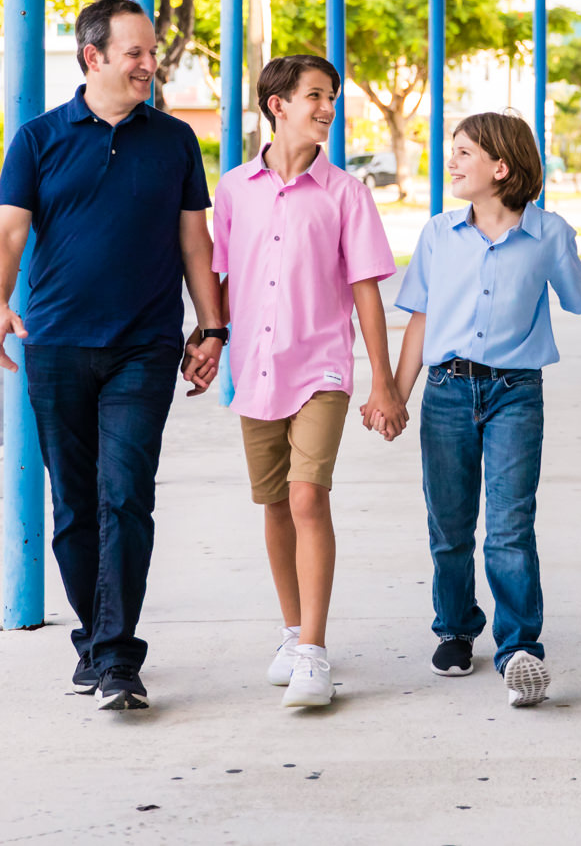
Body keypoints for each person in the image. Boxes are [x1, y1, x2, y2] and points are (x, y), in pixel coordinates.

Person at [0, 0, 226, 713]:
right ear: (93, 57)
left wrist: (211, 329)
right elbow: (7, 233)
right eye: (137, 53)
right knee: (75, 508)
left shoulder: (175, 141)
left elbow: (194, 244)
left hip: (144, 347)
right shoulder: (39, 139)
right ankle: (95, 637)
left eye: (153, 52)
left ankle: (118, 654)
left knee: (126, 493)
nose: (152, 64)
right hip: (55, 345)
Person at [382, 112, 581, 708]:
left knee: (510, 527)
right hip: (445, 391)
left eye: (464, 152)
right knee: (449, 524)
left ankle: (520, 648)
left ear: (501, 167)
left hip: (516, 392)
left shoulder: (549, 233)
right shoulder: (438, 233)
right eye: (452, 150)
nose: (452, 161)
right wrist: (394, 392)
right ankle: (458, 628)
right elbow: (420, 318)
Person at [212, 53, 397, 709]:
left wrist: (384, 381)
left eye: (332, 97)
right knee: (272, 504)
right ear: (277, 104)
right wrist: (210, 341)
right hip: (254, 371)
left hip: (322, 367)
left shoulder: (347, 192)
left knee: (306, 498)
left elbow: (367, 289)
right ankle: (292, 633)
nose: (327, 107)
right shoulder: (233, 189)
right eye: (315, 96)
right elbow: (221, 278)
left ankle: (314, 652)